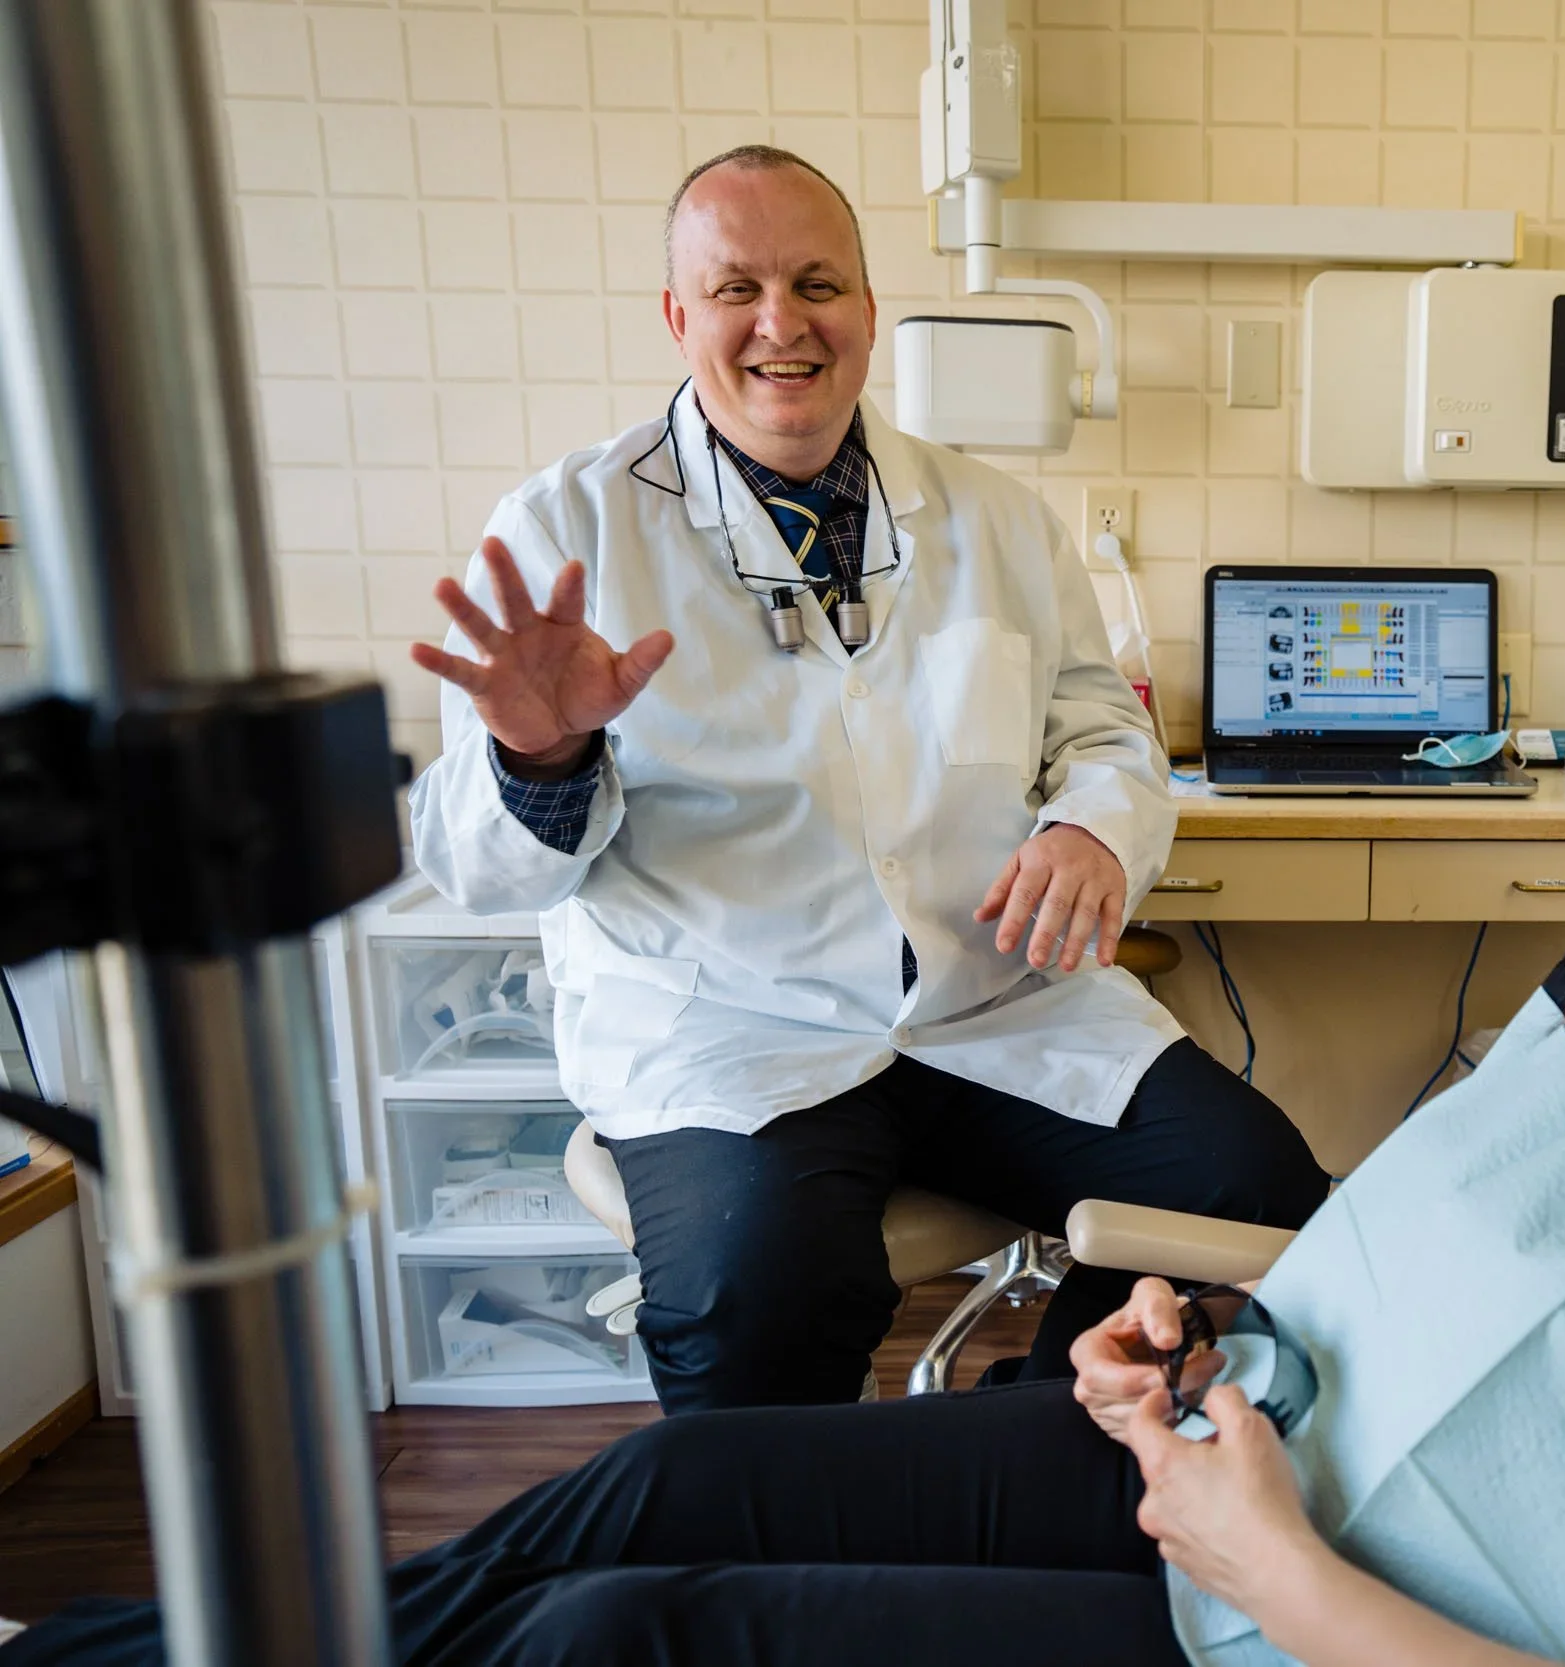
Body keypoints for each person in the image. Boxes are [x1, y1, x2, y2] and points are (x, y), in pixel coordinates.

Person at [11, 434, 1565, 1666]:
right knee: (646, 1482)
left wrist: (1270, 1556)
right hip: (1229, 1429)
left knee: (633, 1630)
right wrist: (1206, 1320)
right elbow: (1447, 1271)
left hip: (1320, 1579)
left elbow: (1101, 729)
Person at [399, 143, 1326, 1413]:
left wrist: (1092, 833)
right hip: (730, 1023)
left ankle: (1038, 1429)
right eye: (735, 290)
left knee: (1249, 1183)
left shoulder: (993, 516)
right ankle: (779, 1575)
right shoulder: (572, 528)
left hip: (986, 1003)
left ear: (870, 310)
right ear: (680, 316)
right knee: (758, 1298)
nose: (782, 322)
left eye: (817, 282)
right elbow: (472, 862)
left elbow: (1097, 723)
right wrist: (542, 755)